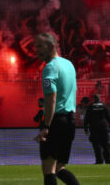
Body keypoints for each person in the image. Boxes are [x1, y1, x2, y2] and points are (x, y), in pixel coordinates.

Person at [34, 31, 82, 185]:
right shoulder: (69, 64)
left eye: (40, 46)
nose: (37, 50)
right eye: (36, 46)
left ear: (52, 46)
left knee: (48, 168)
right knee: (60, 167)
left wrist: (46, 126)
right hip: (70, 121)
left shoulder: (50, 67)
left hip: (56, 120)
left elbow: (51, 98)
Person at [82, 93, 110, 165]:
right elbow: (109, 117)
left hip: (94, 129)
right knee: (106, 145)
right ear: (99, 99)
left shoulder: (90, 106)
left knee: (96, 145)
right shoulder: (104, 106)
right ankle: (108, 160)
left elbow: (86, 118)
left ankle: (99, 160)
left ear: (94, 99)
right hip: (104, 128)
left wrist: (86, 129)